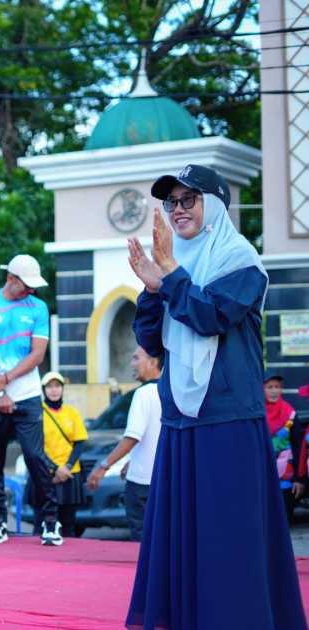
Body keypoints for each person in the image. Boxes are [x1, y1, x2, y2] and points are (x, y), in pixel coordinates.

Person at [126, 164, 306, 629]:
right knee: (185, 532)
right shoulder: (175, 265)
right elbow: (151, 341)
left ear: (217, 206)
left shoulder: (239, 260)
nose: (178, 210)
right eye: (172, 202)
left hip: (227, 417)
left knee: (229, 533)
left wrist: (169, 275)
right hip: (181, 418)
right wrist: (152, 289)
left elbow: (211, 317)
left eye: (189, 199)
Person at [0, 254, 61, 546]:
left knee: (35, 457)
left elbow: (37, 354)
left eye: (34, 285)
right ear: (11, 278)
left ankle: (50, 521)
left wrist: (6, 380)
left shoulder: (38, 308)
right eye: (26, 284)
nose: (31, 290)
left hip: (27, 395)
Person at [86, 346, 163, 542]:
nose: (132, 364)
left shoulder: (143, 394)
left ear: (153, 362)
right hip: (164, 479)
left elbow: (132, 437)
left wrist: (103, 467)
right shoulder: (170, 392)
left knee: (141, 539)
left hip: (141, 484)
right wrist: (131, 461)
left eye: (136, 358)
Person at [37, 372, 87, 538]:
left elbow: (80, 442)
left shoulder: (72, 412)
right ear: (43, 390)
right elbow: (34, 447)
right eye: (49, 386)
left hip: (69, 473)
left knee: (68, 524)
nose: (54, 390)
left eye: (57, 386)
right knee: (43, 523)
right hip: (45, 473)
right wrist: (54, 468)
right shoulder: (37, 413)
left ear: (63, 389)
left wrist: (66, 467)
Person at [264, 371, 303, 523]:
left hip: (286, 477)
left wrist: (299, 479)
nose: (274, 391)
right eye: (270, 387)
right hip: (263, 475)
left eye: (277, 387)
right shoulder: (258, 414)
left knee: (285, 520)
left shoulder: (290, 413)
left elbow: (298, 447)